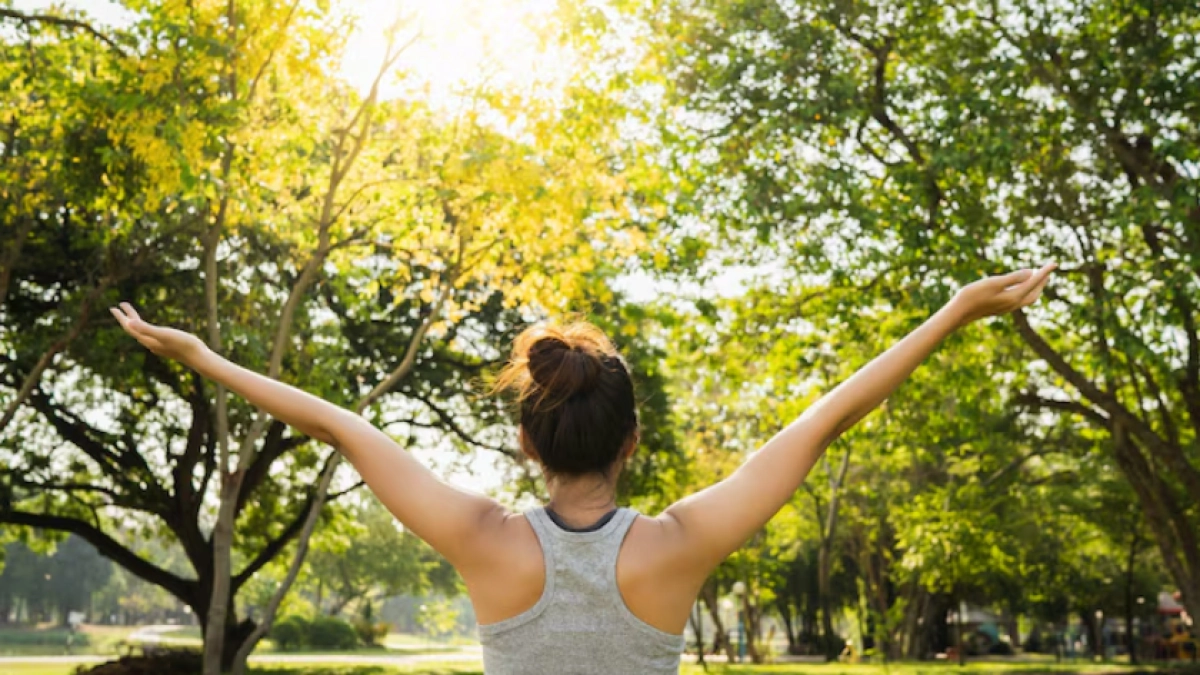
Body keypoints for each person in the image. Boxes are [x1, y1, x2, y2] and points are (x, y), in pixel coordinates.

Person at [110, 264, 1055, 674]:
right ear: (631, 441)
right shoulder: (678, 548)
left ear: (528, 441)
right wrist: (952, 313)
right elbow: (826, 417)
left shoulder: (485, 545)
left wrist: (205, 359)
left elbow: (345, 428)